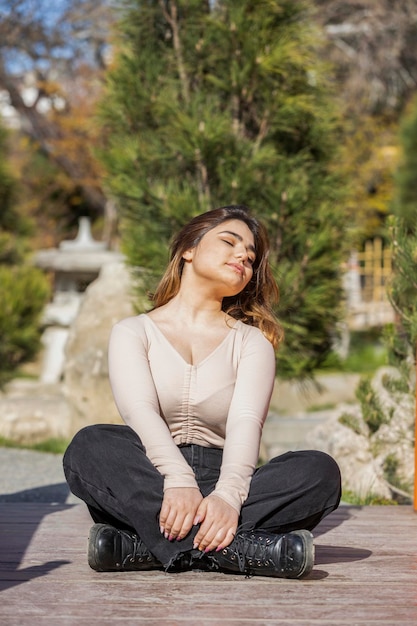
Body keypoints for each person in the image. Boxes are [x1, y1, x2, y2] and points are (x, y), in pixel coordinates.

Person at [63, 204, 341, 579]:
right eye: (229, 241)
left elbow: (246, 422)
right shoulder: (133, 332)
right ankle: (237, 550)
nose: (243, 255)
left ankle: (145, 546)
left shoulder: (252, 342)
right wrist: (177, 481)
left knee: (319, 471)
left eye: (250, 255)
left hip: (228, 480)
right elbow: (140, 411)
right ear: (188, 250)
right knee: (90, 445)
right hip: (151, 481)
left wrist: (227, 497)